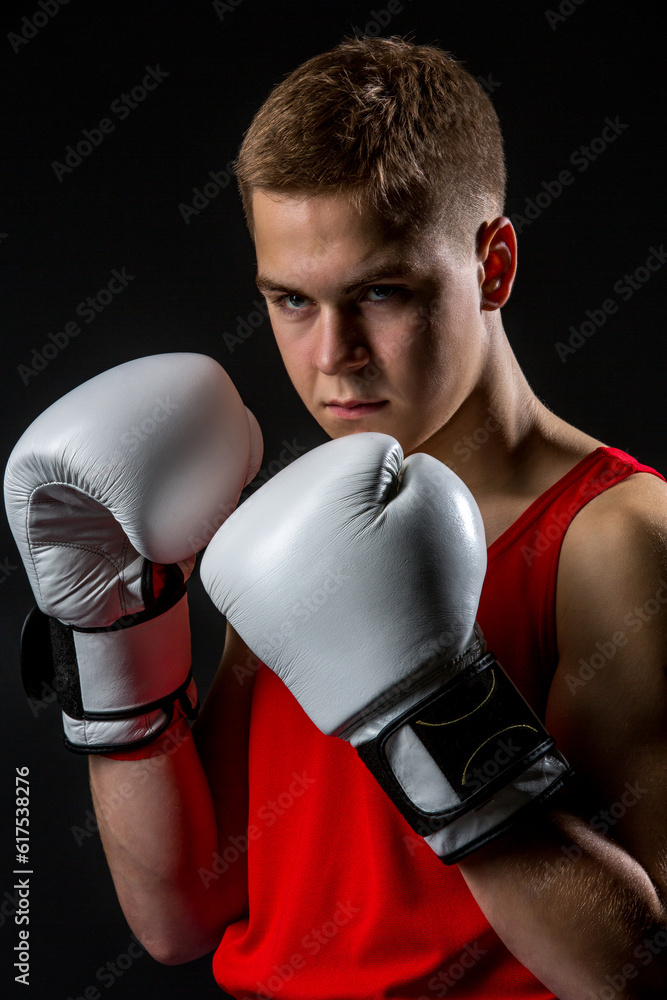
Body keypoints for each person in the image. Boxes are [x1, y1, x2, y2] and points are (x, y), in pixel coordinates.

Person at [6, 34, 667, 1000]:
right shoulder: (292, 531)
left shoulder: (616, 540)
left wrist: (428, 712)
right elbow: (181, 917)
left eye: (381, 293)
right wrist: (115, 631)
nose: (332, 356)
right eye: (290, 301)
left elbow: (639, 975)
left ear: (491, 265)